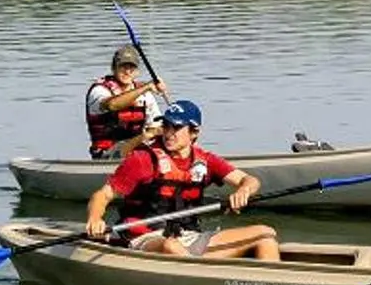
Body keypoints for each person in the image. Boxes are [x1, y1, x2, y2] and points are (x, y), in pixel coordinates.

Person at [86, 100, 282, 261]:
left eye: (177, 127)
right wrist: (95, 219)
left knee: (266, 235)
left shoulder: (205, 160)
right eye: (166, 126)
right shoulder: (142, 159)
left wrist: (243, 191)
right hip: (147, 238)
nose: (169, 133)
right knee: (171, 245)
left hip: (190, 236)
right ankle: (209, 280)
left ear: (194, 132)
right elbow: (102, 195)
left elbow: (249, 180)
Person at [84, 47, 166, 156]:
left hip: (137, 151)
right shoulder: (99, 90)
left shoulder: (146, 95)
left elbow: (155, 124)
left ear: (137, 71)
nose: (127, 72)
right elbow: (112, 105)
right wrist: (146, 87)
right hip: (107, 153)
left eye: (131, 67)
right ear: (114, 68)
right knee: (148, 135)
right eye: (123, 67)